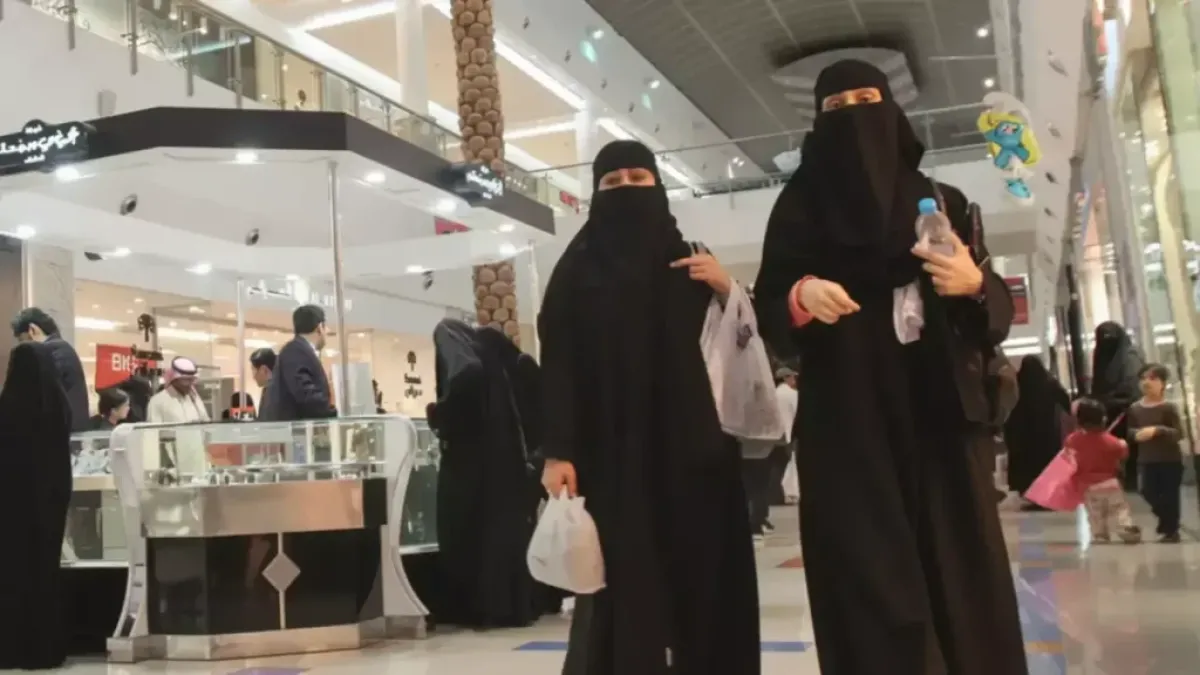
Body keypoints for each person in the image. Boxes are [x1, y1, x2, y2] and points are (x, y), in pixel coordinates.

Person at [752, 60, 1026, 675]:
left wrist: (973, 285)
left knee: (960, 567)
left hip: (941, 412)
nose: (855, 116)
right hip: (847, 419)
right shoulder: (798, 211)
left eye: (866, 99)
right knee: (867, 574)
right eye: (837, 106)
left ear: (893, 111)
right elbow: (769, 304)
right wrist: (799, 297)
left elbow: (994, 313)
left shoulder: (944, 202)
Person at [538, 140, 761, 675]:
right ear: (595, 193)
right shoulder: (575, 272)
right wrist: (558, 451)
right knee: (625, 581)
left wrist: (727, 288)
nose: (627, 189)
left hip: (696, 451)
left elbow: (738, 345)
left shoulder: (691, 261)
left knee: (702, 574)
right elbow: (559, 365)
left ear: (659, 185)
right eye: (613, 182)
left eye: (639, 178)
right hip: (612, 454)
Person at [430, 319, 549, 628]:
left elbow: (466, 374)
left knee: (467, 530)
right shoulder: (504, 358)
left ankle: (474, 608)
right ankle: (511, 607)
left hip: (471, 460)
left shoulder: (448, 334)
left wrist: (440, 415)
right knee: (505, 533)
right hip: (511, 463)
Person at [0, 343, 74, 669]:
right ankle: (45, 648)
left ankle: (12, 648)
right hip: (51, 502)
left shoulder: (8, 407)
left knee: (13, 572)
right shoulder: (59, 406)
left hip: (12, 505)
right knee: (45, 571)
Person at [1066, 398, 1140, 544]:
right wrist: (1123, 444)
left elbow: (1069, 456)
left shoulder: (1072, 440)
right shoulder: (1111, 441)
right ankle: (1124, 527)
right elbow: (1123, 454)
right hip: (1110, 483)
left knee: (1095, 514)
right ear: (1103, 419)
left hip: (1087, 487)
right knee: (1119, 509)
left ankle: (1100, 535)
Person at [1126, 363, 1185, 543]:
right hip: (1147, 459)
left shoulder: (1169, 407)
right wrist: (1136, 434)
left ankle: (1171, 530)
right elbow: (1130, 431)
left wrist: (1157, 430)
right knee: (1147, 491)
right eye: (1143, 378)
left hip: (1170, 459)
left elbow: (1179, 433)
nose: (1147, 382)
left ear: (1163, 383)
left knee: (1170, 496)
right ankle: (1166, 522)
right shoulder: (1135, 408)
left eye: (1152, 378)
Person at [1004, 356, 1071, 505]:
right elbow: (1065, 400)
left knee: (1027, 466)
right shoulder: (1049, 384)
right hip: (1046, 434)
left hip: (1023, 437)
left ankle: (1029, 494)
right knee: (1046, 464)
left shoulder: (1019, 385)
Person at [12, 307, 90, 431]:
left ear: (32, 330)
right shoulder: (61, 349)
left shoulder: (49, 352)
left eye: (22, 340)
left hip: (60, 433)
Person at [1090, 321, 1143, 490]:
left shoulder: (1129, 357)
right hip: (1110, 415)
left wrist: (1110, 400)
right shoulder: (1101, 356)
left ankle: (1131, 481)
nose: (1106, 342)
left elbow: (1133, 389)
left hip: (1127, 413)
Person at [268, 305, 336, 422]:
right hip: (296, 429)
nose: (327, 331)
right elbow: (306, 395)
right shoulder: (296, 351)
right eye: (326, 327)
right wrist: (331, 408)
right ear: (320, 328)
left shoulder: (297, 350)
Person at [147, 357, 210, 424]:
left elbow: (206, 422)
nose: (190, 384)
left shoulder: (195, 398)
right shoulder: (158, 401)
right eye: (186, 380)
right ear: (174, 379)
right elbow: (153, 429)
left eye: (192, 380)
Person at [250, 347, 276, 418]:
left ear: (264, 370)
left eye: (254, 370)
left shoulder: (273, 394)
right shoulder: (268, 390)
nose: (253, 377)